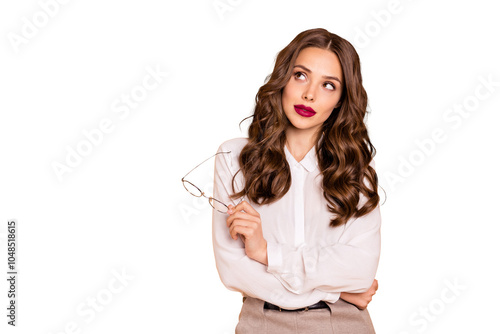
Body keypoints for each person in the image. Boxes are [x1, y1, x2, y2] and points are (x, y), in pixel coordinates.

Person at [211, 28, 382, 334]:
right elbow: (233, 272)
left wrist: (266, 252)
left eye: (328, 85)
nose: (310, 95)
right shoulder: (234, 158)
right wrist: (335, 292)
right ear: (282, 79)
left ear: (341, 101)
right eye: (300, 75)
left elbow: (360, 271)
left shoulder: (355, 172)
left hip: (342, 324)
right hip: (262, 322)